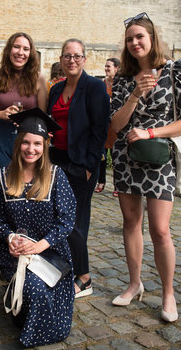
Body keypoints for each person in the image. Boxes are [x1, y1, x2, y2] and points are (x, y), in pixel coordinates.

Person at [109, 12, 181, 323]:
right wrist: (135, 94)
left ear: (152, 39)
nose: (134, 43)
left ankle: (168, 293)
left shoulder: (176, 69)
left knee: (160, 229)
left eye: (139, 37)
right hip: (125, 158)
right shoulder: (121, 79)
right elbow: (116, 126)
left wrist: (150, 132)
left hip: (160, 159)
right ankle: (134, 284)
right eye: (129, 39)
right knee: (130, 222)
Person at [0, 108, 76, 347]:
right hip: (17, 256)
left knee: (38, 289)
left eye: (37, 143)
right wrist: (11, 239)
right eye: (26, 142)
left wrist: (40, 245)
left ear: (45, 145)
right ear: (18, 143)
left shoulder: (56, 175)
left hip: (50, 254)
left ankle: (33, 329)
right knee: (31, 289)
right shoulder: (0, 178)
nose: (31, 149)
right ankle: (27, 314)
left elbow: (67, 219)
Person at [48, 38, 109, 299]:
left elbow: (101, 130)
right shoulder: (55, 89)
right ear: (61, 59)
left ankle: (84, 278)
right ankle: (65, 266)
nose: (71, 60)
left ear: (84, 59)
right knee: (57, 217)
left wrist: (89, 166)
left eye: (77, 56)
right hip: (56, 159)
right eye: (67, 56)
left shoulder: (94, 87)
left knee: (74, 220)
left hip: (81, 163)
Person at [0, 32, 47, 172]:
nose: (21, 52)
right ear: (9, 50)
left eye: (25, 49)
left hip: (27, 140)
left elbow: (42, 116)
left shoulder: (39, 78)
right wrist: (1, 114)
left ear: (31, 53)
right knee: (2, 180)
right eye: (16, 47)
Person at [95, 57, 120, 195]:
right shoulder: (101, 84)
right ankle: (101, 181)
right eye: (105, 66)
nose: (106, 69)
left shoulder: (120, 84)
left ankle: (117, 185)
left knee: (116, 157)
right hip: (103, 124)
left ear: (116, 68)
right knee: (102, 157)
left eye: (108, 67)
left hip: (115, 125)